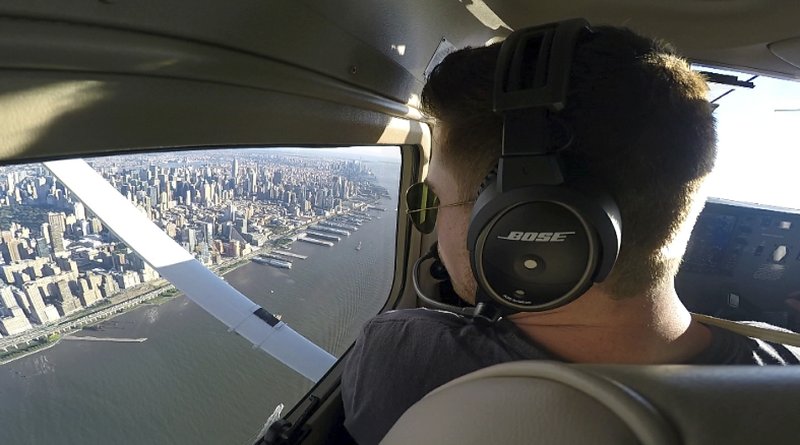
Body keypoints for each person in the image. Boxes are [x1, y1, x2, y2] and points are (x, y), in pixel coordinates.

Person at [341, 24, 800, 445]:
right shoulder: (784, 374)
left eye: (433, 201)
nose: (430, 223)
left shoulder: (401, 354)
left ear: (523, 225)